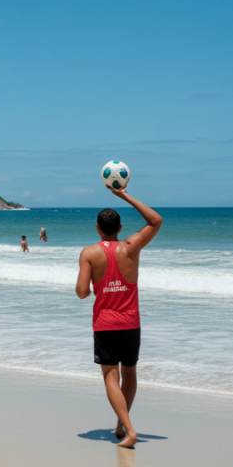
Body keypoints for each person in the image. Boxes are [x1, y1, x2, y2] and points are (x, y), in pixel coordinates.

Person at [76, 188, 163, 450]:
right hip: (131, 323)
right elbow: (156, 220)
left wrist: (94, 282)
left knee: (110, 377)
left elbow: (82, 293)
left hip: (105, 323)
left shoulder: (89, 253)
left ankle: (131, 430)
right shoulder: (131, 246)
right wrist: (125, 195)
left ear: (97, 228)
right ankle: (120, 424)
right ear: (120, 227)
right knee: (130, 373)